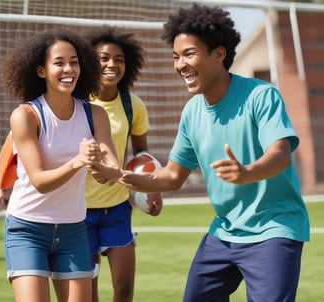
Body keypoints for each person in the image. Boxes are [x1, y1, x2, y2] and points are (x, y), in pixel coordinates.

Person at [119, 4, 310, 302]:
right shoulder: (192, 111)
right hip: (224, 231)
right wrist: (124, 178)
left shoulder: (261, 95)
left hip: (273, 228)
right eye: (175, 56)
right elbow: (172, 176)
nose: (180, 64)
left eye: (189, 54)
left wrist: (247, 172)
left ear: (219, 54)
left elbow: (281, 154)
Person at [0, 28, 121, 302]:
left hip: (73, 229)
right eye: (59, 62)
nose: (69, 69)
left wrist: (99, 164)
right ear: (41, 70)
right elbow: (40, 181)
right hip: (27, 229)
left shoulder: (95, 114)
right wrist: (78, 161)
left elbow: (110, 171)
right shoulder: (26, 116)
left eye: (75, 61)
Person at [84, 26, 163, 302]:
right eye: (104, 58)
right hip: (78, 212)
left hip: (117, 208)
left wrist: (151, 189)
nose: (111, 64)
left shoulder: (133, 105)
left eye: (119, 59)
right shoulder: (75, 103)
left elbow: (142, 155)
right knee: (87, 294)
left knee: (125, 289)